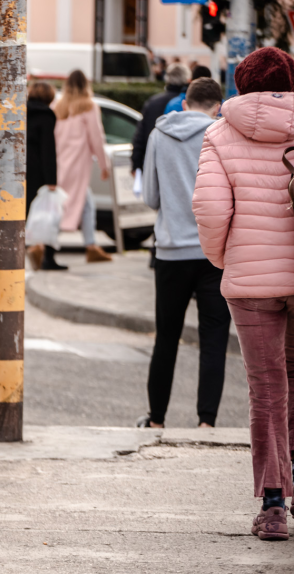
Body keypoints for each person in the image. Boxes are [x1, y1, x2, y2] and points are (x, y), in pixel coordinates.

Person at [193, 47, 294, 541]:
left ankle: (274, 507)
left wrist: (226, 259)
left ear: (240, 85)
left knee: (267, 388)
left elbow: (211, 210)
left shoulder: (220, 133)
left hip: (251, 283)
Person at [138, 77, 230, 431]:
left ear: (185, 103)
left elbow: (150, 197)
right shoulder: (221, 134)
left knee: (166, 337)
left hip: (171, 251)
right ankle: (206, 421)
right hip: (213, 253)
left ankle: (157, 419)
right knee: (214, 338)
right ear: (217, 107)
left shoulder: (159, 135)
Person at [53, 70, 112, 263]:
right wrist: (104, 164)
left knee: (75, 202)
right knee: (74, 202)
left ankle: (90, 245)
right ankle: (45, 244)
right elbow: (97, 137)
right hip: (78, 163)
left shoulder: (58, 106)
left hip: (60, 161)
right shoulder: (89, 106)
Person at [24, 81, 61, 271]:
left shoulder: (20, 110)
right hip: (37, 170)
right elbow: (48, 149)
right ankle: (41, 250)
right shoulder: (46, 115)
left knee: (23, 211)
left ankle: (28, 247)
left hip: (19, 169)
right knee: (42, 213)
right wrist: (51, 180)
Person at [131, 63, 190, 175]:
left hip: (152, 163)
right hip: (179, 167)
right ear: (187, 79)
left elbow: (140, 136)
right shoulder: (188, 104)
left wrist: (136, 163)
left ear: (167, 78)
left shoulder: (153, 103)